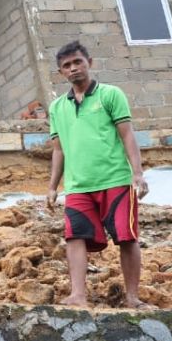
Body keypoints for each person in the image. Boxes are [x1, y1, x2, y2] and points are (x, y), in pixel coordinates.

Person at [46, 41, 149, 308]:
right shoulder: (57, 107)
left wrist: (137, 173)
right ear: (61, 73)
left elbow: (127, 134)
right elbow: (58, 150)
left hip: (115, 180)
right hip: (78, 186)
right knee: (74, 236)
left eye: (77, 62)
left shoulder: (110, 95)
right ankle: (78, 295)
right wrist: (52, 186)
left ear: (89, 62)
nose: (73, 69)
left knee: (126, 237)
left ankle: (132, 297)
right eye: (67, 66)